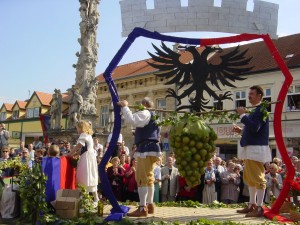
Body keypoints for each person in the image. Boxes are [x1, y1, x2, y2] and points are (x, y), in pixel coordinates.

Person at [117, 97, 161, 217]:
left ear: (144, 105)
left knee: (141, 177)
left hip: (145, 149)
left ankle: (142, 208)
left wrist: (125, 106)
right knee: (149, 177)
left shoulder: (146, 112)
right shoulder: (155, 116)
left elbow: (132, 120)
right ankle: (150, 205)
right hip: (152, 149)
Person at [233, 85, 271, 217]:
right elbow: (253, 130)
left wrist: (243, 115)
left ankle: (259, 207)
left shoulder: (261, 110)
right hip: (251, 148)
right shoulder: (256, 110)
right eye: (249, 94)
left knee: (258, 179)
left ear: (259, 96)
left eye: (252, 94)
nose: (249, 96)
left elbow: (255, 128)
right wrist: (241, 131)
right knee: (250, 178)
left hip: (256, 149)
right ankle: (252, 204)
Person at [68, 120, 99, 204]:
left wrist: (70, 154)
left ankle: (84, 199)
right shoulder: (88, 135)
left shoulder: (83, 134)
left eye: (77, 128)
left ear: (81, 128)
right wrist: (77, 154)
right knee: (90, 176)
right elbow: (84, 148)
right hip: (90, 157)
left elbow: (79, 145)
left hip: (87, 158)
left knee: (84, 176)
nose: (77, 129)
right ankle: (94, 198)